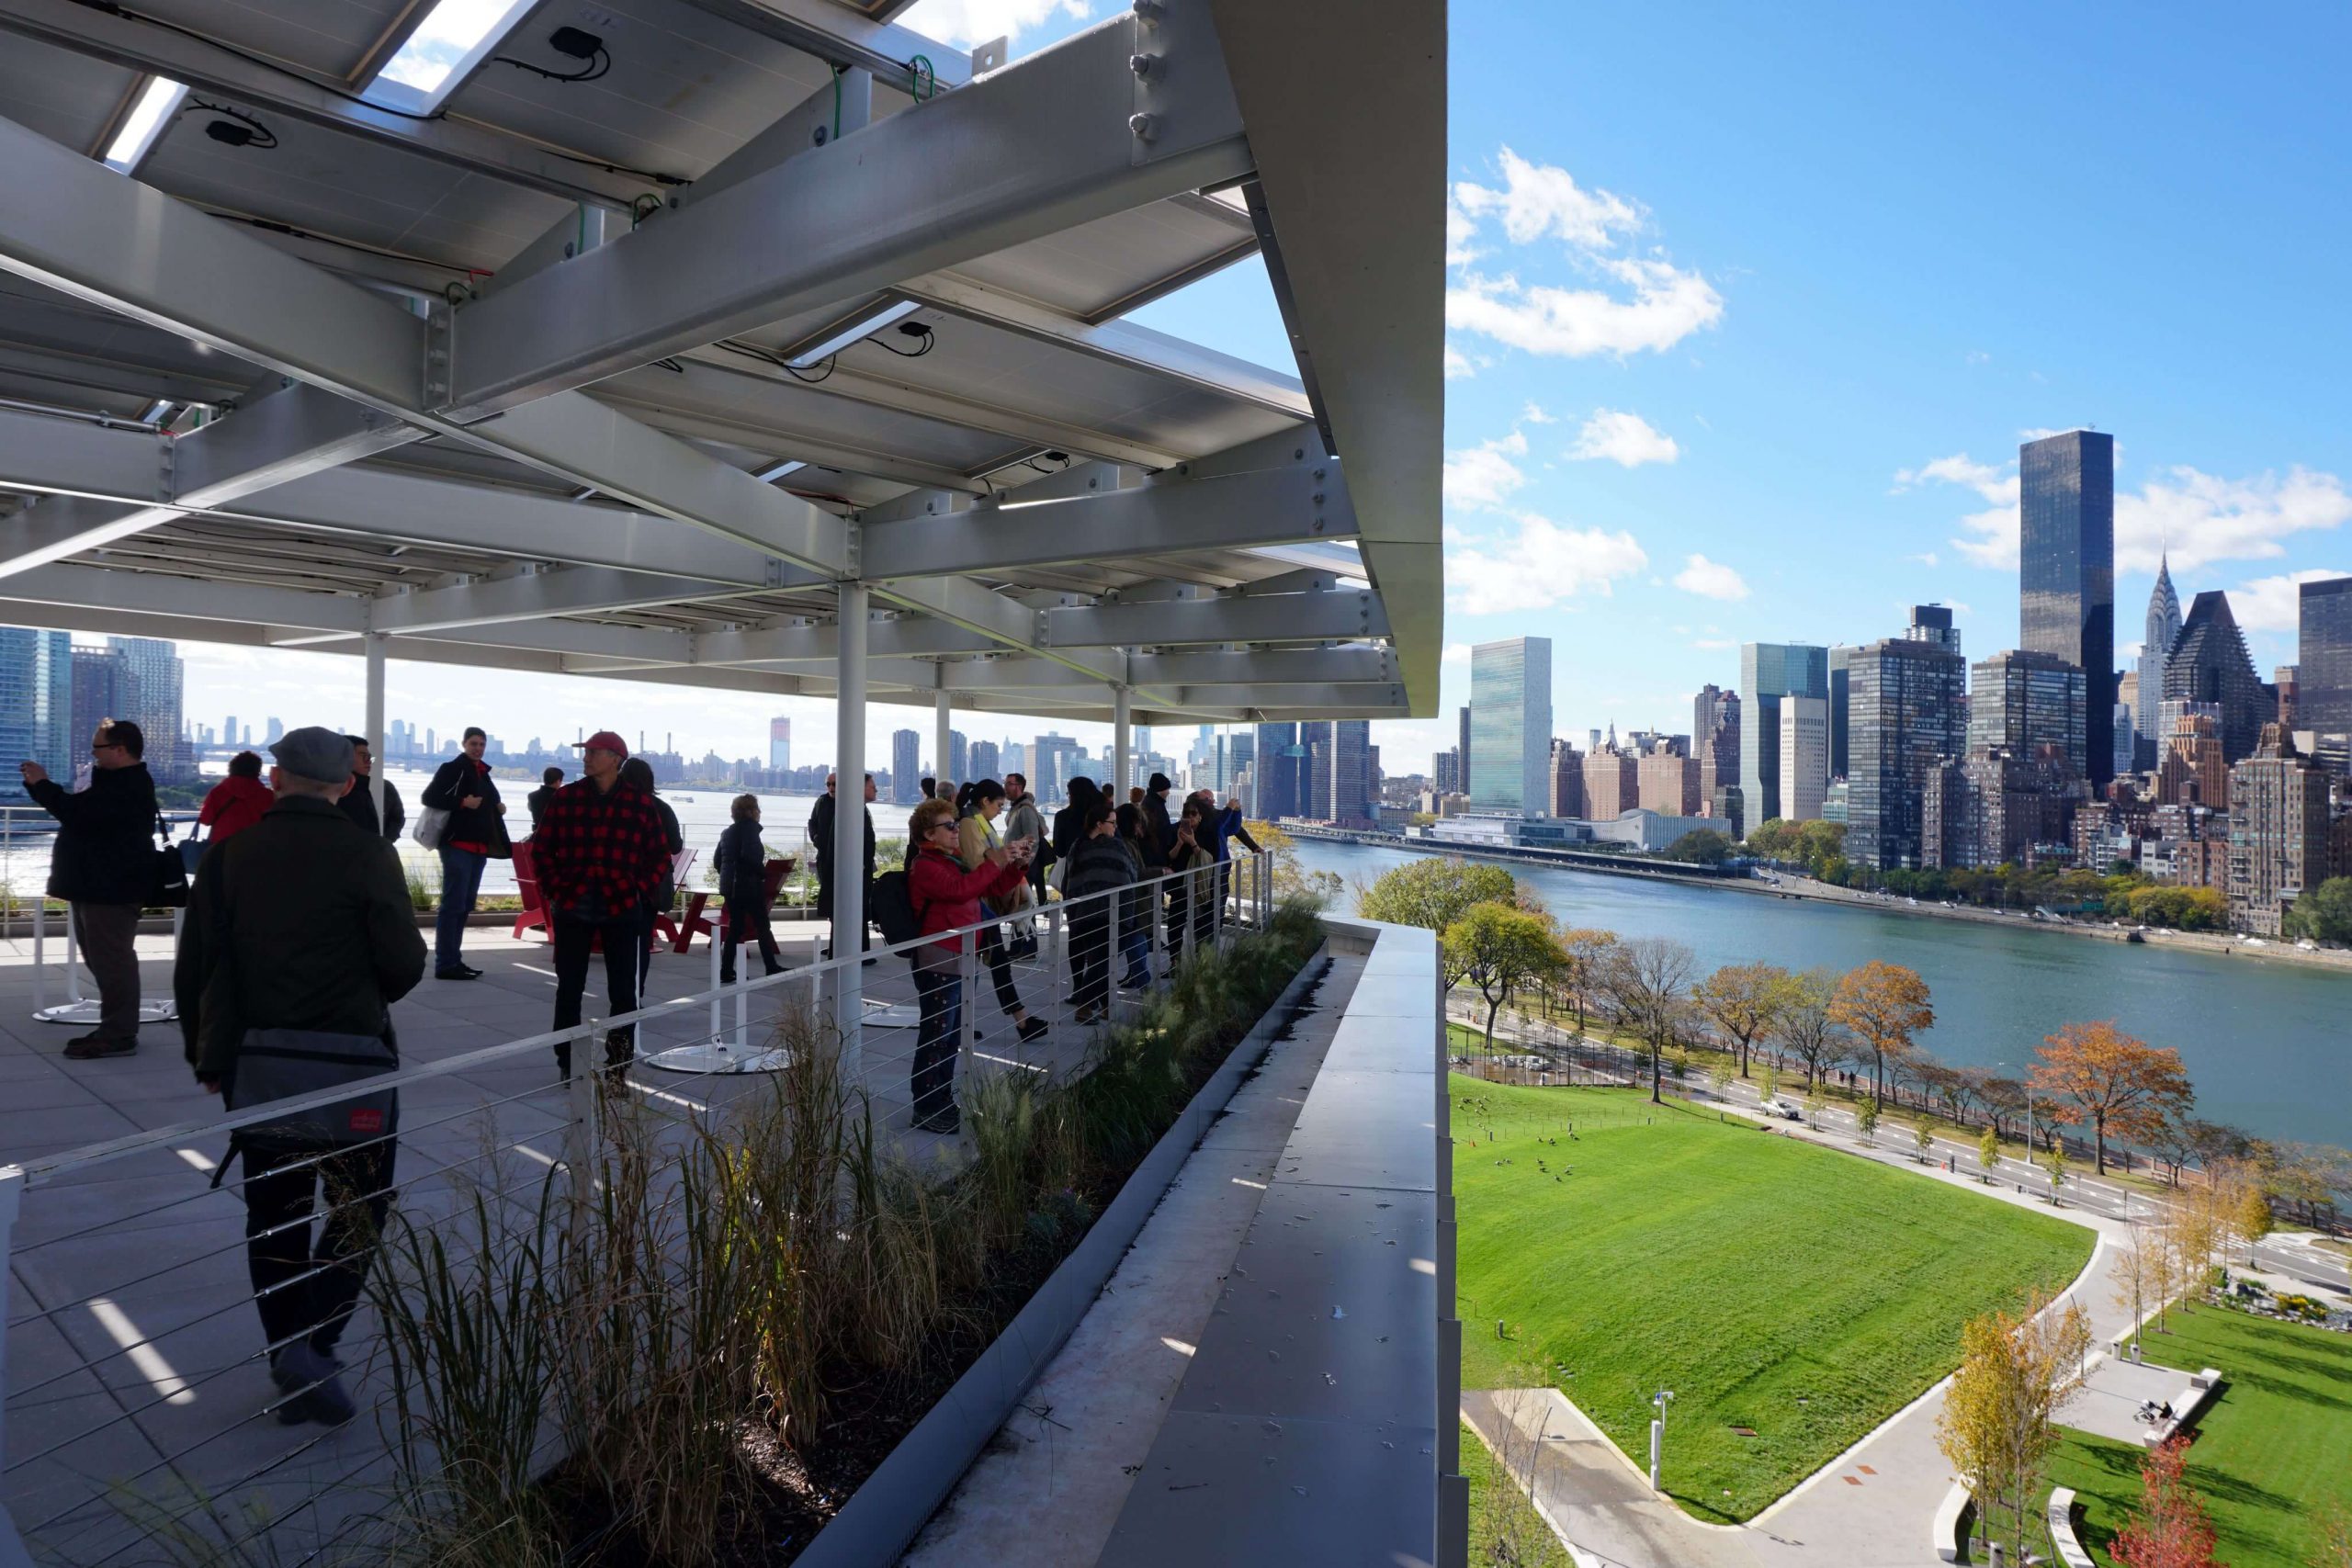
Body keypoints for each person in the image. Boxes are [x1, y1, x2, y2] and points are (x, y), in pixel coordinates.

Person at [174, 727, 425, 1427]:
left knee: (275, 1216)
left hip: (257, 1066)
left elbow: (194, 968)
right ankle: (314, 1342)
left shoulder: (228, 857)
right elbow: (404, 963)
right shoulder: (368, 854)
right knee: (359, 1207)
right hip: (352, 1068)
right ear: (348, 785)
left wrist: (208, 1054)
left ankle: (291, 1348)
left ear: (277, 778)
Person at [534, 733, 669, 1077]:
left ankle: (618, 1065)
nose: (586, 758)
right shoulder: (567, 799)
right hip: (573, 905)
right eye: (587, 752)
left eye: (594, 752)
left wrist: (638, 889)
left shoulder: (640, 805)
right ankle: (567, 1063)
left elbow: (658, 856)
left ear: (615, 758)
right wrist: (556, 890)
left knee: (624, 992)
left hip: (622, 907)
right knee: (568, 988)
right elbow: (542, 850)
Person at [23, 719, 160, 1059]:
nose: (92, 754)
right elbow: (78, 813)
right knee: (103, 959)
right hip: (95, 885)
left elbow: (78, 814)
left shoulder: (128, 785)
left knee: (112, 961)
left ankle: (119, 1033)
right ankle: (114, 1027)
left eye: (97, 748)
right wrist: (39, 787)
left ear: (119, 749)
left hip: (111, 889)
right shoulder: (113, 781)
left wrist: (42, 785)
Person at [907, 797, 1030, 1134]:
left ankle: (941, 1098)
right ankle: (926, 1105)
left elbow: (986, 888)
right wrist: (996, 860)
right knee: (936, 1036)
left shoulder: (952, 861)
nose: (956, 830)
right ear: (928, 834)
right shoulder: (926, 866)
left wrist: (1016, 866)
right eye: (949, 826)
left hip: (962, 960)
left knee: (950, 1037)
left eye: (956, 824)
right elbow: (960, 892)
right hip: (938, 962)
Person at [955, 780, 1050, 1044]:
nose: (1000, 810)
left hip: (979, 905)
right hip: (975, 905)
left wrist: (1010, 856)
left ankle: (1018, 1020)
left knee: (991, 963)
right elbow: (978, 866)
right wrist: (1007, 856)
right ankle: (1018, 1021)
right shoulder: (970, 825)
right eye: (998, 805)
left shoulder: (974, 823)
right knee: (990, 964)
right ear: (984, 802)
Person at [420, 728, 509, 980]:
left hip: (478, 849)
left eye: (481, 744)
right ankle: (446, 963)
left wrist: (497, 806)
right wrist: (462, 802)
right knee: (453, 906)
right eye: (473, 744)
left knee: (464, 906)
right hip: (457, 846)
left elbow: (488, 799)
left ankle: (453, 960)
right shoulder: (453, 768)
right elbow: (429, 796)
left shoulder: (483, 772)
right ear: (464, 744)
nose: (477, 748)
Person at [1060, 799, 1137, 1023]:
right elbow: (1130, 872)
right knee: (1103, 960)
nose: (1116, 828)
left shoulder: (1077, 846)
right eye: (1112, 823)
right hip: (1113, 912)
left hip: (1083, 912)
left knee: (1099, 959)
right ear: (1099, 823)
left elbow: (1071, 881)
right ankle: (1084, 1007)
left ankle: (1105, 1006)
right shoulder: (1115, 846)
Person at [617, 756, 684, 994]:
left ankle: (620, 990)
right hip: (650, 885)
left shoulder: (616, 805)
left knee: (617, 942)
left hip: (616, 882)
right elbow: (676, 846)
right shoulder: (662, 809)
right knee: (642, 941)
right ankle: (636, 992)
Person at [807, 773, 876, 960]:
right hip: (834, 864)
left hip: (850, 865)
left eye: (835, 784)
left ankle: (854, 949)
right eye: (828, 783)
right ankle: (844, 949)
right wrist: (816, 839)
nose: (831, 787)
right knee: (841, 907)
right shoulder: (825, 803)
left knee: (849, 907)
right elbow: (813, 823)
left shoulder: (851, 807)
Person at [715, 794, 784, 983]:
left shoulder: (727, 832)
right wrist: (763, 874)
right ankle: (771, 966)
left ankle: (726, 970)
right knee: (762, 925)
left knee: (735, 929)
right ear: (753, 812)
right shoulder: (751, 830)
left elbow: (717, 861)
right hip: (748, 886)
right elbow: (751, 857)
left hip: (729, 887)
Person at [1002, 772, 1049, 956]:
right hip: (1019, 865)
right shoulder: (1018, 807)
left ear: (1019, 786)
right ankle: (1021, 946)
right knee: (1020, 904)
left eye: (1009, 783)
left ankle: (1026, 947)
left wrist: (1023, 863)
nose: (1005, 787)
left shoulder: (1025, 809)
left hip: (1023, 866)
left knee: (1022, 904)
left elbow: (1032, 839)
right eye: (1005, 783)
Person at [1113, 802, 1157, 989]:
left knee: (1128, 944)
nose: (1141, 826)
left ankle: (1143, 983)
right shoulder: (1127, 845)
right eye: (1139, 822)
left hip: (1129, 906)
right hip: (1132, 905)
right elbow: (1135, 873)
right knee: (1135, 943)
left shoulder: (1126, 843)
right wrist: (1160, 872)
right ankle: (1144, 984)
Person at [1167, 797, 1216, 961]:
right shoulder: (1176, 831)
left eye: (1193, 814)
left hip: (1198, 888)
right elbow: (1170, 857)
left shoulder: (1209, 833)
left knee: (1200, 926)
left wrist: (1193, 843)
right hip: (1180, 887)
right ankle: (1175, 963)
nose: (1190, 817)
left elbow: (1209, 860)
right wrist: (1180, 843)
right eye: (1186, 814)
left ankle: (1201, 964)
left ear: (1200, 816)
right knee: (1174, 926)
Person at [196, 750, 274, 844]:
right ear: (258, 770)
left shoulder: (218, 792)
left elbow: (205, 820)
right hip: (255, 849)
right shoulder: (268, 796)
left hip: (221, 849)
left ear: (231, 768)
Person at [338, 737, 404, 841]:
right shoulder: (333, 787)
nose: (368, 761)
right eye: (363, 756)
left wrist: (383, 843)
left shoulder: (385, 788)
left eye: (369, 757)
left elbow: (397, 819)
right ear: (344, 756)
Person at [526, 766, 563, 833]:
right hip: (557, 834)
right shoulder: (561, 797)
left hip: (538, 833)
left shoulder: (532, 796)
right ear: (558, 781)